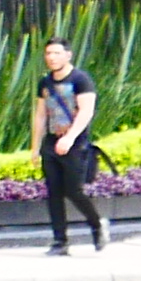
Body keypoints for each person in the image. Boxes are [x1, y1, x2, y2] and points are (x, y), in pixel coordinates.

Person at [36, 39, 108, 255]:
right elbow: (40, 115)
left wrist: (70, 138)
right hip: (51, 141)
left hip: (75, 143)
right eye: (48, 53)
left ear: (68, 55)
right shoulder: (45, 83)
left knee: (74, 190)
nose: (52, 57)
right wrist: (35, 146)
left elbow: (86, 111)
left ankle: (97, 225)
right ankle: (60, 241)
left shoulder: (80, 79)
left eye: (56, 53)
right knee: (54, 193)